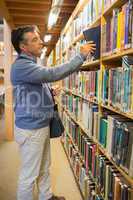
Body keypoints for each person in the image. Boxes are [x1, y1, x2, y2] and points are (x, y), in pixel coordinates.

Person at [10, 25, 96, 200]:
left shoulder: (30, 64)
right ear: (23, 47)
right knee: (29, 175)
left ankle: (46, 196)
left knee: (44, 167)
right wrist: (80, 55)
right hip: (31, 130)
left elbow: (32, 88)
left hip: (38, 126)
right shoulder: (21, 66)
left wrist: (48, 93)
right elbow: (52, 73)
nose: (40, 42)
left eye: (39, 37)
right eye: (34, 40)